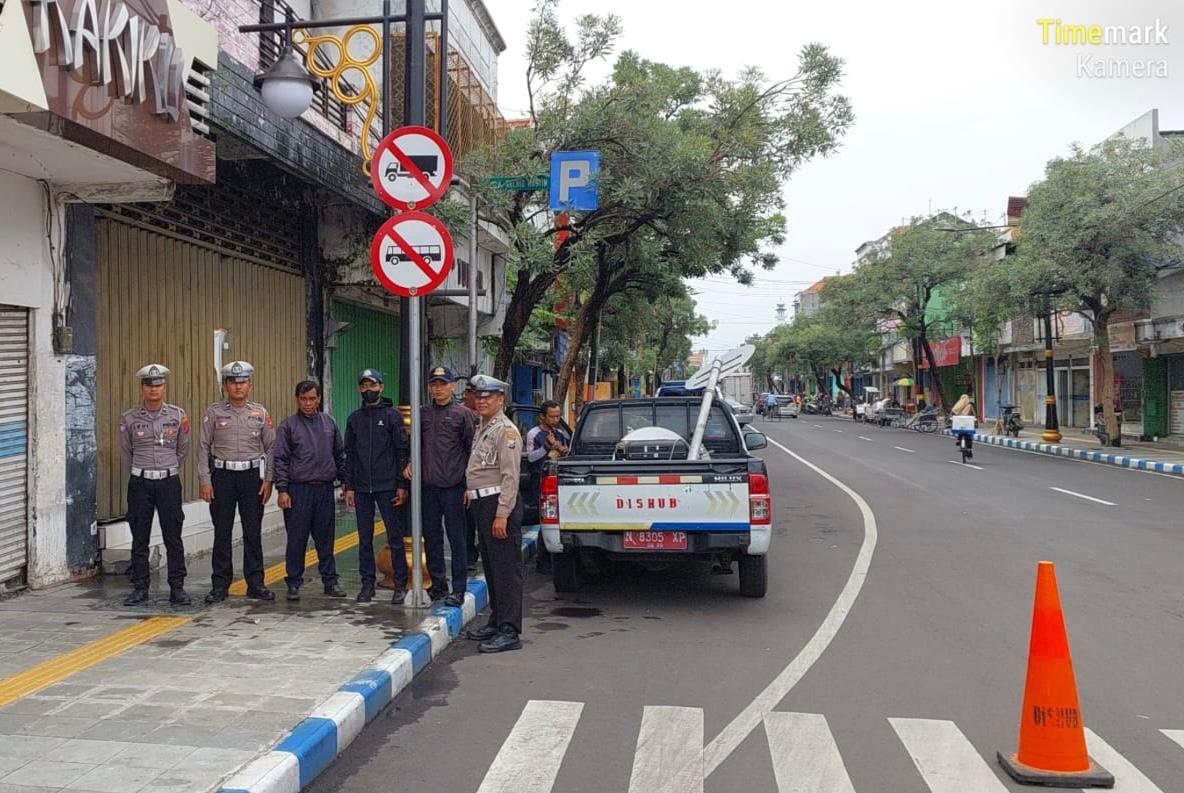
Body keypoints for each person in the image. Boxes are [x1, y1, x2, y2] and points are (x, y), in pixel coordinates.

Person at [199, 361, 276, 604]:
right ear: (225, 386)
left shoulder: (260, 413)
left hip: (252, 477)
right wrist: (205, 480)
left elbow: (272, 447)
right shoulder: (213, 413)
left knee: (252, 532)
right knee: (222, 532)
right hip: (222, 477)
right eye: (233, 382)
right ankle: (220, 585)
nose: (238, 386)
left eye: (242, 382)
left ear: (249, 385)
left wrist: (268, 479)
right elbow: (202, 447)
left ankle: (255, 583)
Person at [119, 365, 191, 606]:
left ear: (164, 387)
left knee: (173, 536)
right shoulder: (129, 418)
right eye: (149, 385)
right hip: (140, 481)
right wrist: (143, 470)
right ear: (142, 388)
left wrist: (167, 467)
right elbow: (126, 451)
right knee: (140, 536)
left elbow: (182, 449)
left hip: (168, 481)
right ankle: (140, 588)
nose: (154, 389)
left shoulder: (177, 416)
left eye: (158, 385)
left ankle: (177, 588)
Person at [463, 374, 524, 653]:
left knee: (506, 569)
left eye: (488, 397)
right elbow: (482, 466)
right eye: (479, 396)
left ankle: (510, 630)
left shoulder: (506, 431)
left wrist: (502, 514)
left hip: (498, 505)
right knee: (491, 567)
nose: (482, 401)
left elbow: (510, 476)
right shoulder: (483, 426)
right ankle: (497, 620)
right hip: (482, 503)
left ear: (501, 399)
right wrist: (470, 489)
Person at [273, 380, 348, 601]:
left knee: (326, 539)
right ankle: (294, 583)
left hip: (324, 489)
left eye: (312, 399)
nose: (308, 403)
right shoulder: (288, 426)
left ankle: (330, 581)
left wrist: (346, 483)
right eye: (303, 399)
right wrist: (282, 490)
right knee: (297, 539)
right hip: (298, 491)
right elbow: (280, 459)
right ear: (297, 399)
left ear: (318, 399)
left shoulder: (329, 423)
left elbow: (340, 454)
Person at [407, 366, 476, 606]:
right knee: (432, 538)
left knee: (457, 539)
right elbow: (414, 446)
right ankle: (438, 585)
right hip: (428, 488)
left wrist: (469, 484)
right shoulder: (423, 414)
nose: (439, 388)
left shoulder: (462, 414)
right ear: (429, 387)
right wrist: (409, 463)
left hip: (454, 487)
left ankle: (458, 589)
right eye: (434, 384)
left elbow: (471, 450)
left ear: (452, 386)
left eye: (443, 383)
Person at [343, 369, 409, 603]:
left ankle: (400, 583)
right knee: (364, 539)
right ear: (360, 389)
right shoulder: (354, 419)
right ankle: (367, 584)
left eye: (372, 385)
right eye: (364, 386)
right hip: (361, 488)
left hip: (388, 487)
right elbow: (349, 455)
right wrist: (348, 486)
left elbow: (402, 452)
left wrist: (402, 485)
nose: (368, 390)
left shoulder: (392, 417)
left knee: (395, 536)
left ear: (381, 387)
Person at [526, 400, 569, 574]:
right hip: (541, 481)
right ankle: (542, 561)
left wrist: (562, 449)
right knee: (546, 519)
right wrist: (547, 446)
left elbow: (567, 451)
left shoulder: (559, 433)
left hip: (558, 480)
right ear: (543, 417)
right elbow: (531, 457)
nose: (555, 419)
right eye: (552, 416)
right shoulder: (534, 434)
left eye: (558, 416)